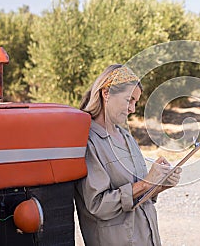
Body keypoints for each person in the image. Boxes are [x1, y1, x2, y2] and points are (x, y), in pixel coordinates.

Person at [75, 64, 182, 246]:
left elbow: (139, 194)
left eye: (135, 102)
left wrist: (160, 184)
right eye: (129, 100)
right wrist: (147, 182)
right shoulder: (88, 142)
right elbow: (97, 205)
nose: (132, 109)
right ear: (106, 93)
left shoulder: (126, 137)